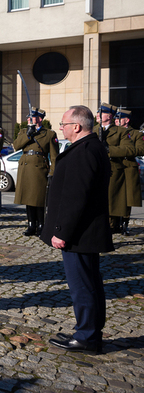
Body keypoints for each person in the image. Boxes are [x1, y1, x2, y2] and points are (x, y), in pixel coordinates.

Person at [42, 105, 113, 353]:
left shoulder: (84, 151)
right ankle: (90, 332)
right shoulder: (90, 147)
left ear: (76, 126)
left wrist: (61, 231)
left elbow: (76, 197)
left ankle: (86, 336)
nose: (60, 128)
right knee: (90, 283)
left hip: (79, 234)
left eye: (63, 124)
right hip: (85, 232)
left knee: (82, 286)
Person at [12, 107, 59, 236]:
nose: (27, 118)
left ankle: (41, 225)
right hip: (25, 167)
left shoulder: (49, 134)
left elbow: (54, 156)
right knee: (28, 198)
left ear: (39, 119)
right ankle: (31, 224)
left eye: (31, 117)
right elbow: (16, 145)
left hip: (39, 169)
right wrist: (29, 134)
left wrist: (53, 172)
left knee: (38, 199)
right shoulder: (24, 131)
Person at [93, 103, 135, 233]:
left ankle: (112, 225)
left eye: (101, 113)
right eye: (98, 113)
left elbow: (130, 149)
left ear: (110, 116)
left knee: (111, 201)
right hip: (95, 168)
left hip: (112, 168)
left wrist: (108, 149)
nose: (98, 115)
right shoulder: (92, 130)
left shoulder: (121, 131)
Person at [116, 108, 143, 235]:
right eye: (115, 118)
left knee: (128, 197)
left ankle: (124, 224)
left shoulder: (136, 134)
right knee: (114, 195)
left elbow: (140, 150)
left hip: (128, 167)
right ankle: (114, 223)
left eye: (119, 119)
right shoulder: (112, 132)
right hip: (115, 166)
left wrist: (124, 150)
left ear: (126, 120)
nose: (116, 121)